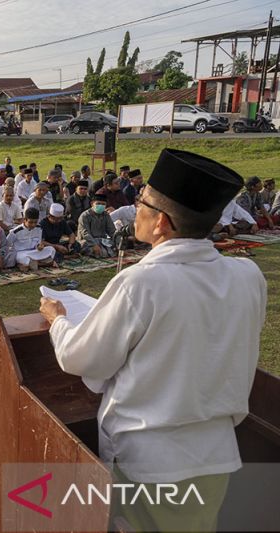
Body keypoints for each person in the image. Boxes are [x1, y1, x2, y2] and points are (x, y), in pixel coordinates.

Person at [39, 148, 266, 533]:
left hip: (151, 463)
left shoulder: (140, 283)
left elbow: (82, 359)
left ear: (160, 222)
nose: (135, 207)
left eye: (141, 201)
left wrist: (58, 321)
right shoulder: (248, 275)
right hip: (217, 456)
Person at [8, 207, 57, 272]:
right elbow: (6, 244)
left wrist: (39, 247)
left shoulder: (39, 228)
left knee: (51, 249)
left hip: (34, 252)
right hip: (21, 254)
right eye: (31, 222)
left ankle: (34, 264)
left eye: (35, 222)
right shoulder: (15, 231)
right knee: (20, 257)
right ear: (25, 220)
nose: (33, 225)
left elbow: (38, 243)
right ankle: (45, 263)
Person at [77, 194, 117, 258]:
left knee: (118, 245)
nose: (101, 206)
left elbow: (112, 231)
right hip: (87, 241)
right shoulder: (85, 216)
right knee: (100, 251)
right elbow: (85, 233)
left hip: (102, 240)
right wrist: (94, 245)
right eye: (98, 203)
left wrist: (118, 242)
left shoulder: (106, 215)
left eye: (103, 204)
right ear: (92, 204)